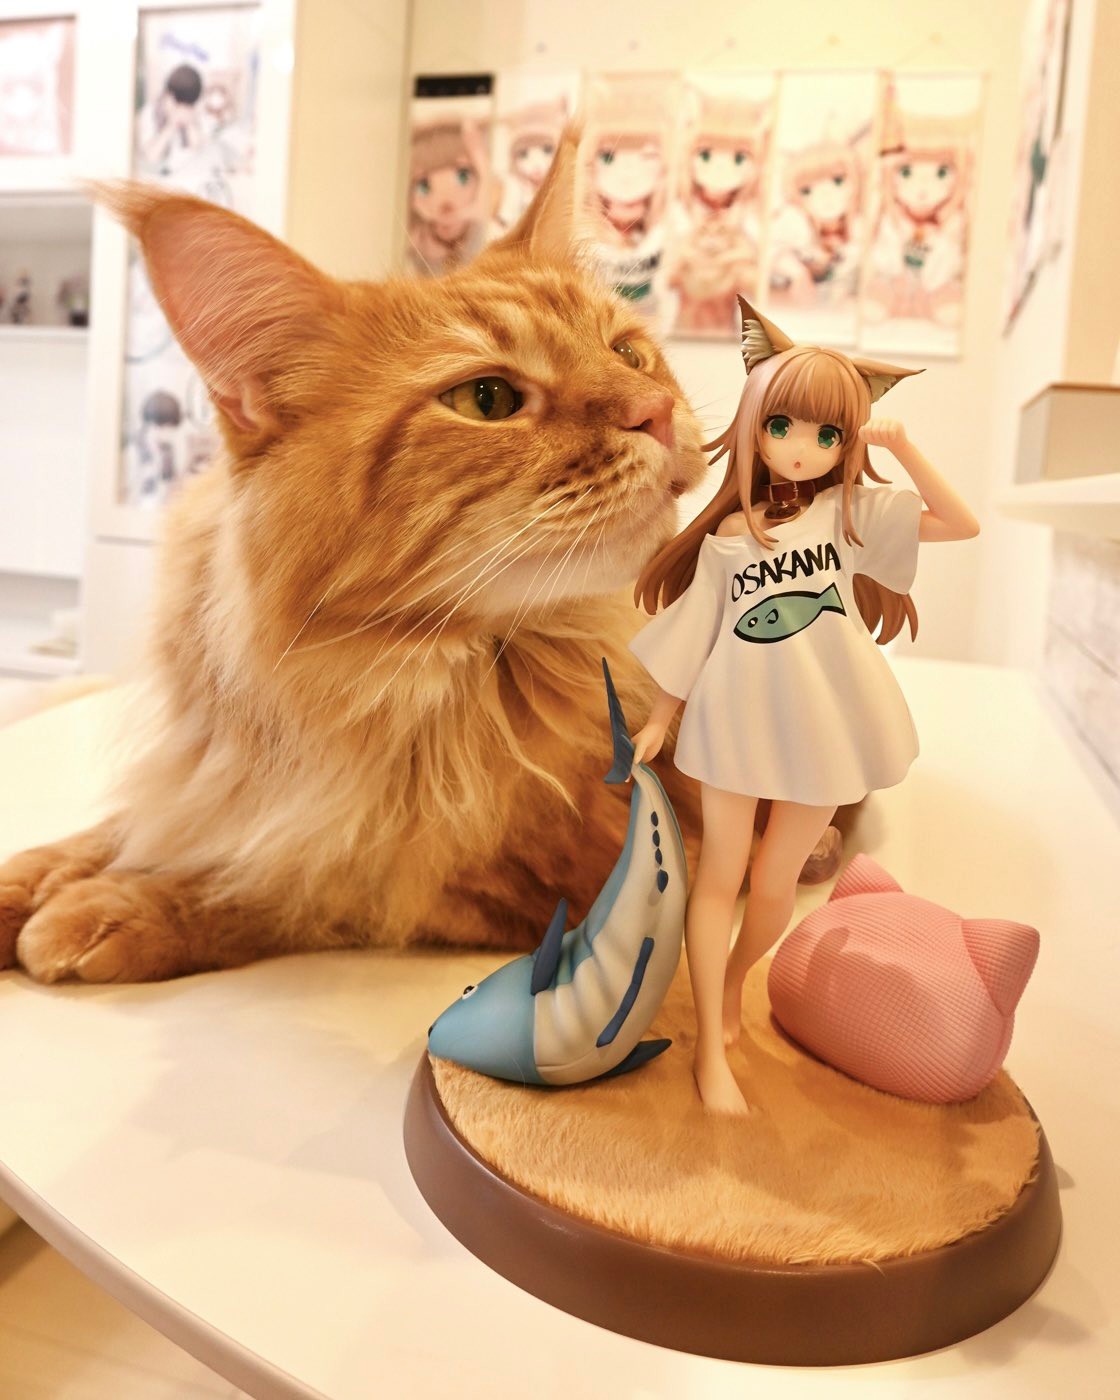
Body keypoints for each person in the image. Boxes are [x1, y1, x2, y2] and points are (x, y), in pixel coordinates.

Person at [628, 298, 980, 1115]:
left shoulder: (850, 515)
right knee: (721, 876)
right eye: (781, 425)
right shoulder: (727, 541)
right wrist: (660, 717)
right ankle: (709, 1048)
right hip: (731, 719)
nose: (798, 447)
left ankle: (731, 985)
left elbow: (959, 524)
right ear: (754, 425)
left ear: (846, 442)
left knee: (775, 887)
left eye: (827, 434)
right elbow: (695, 633)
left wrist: (904, 449)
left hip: (825, 723)